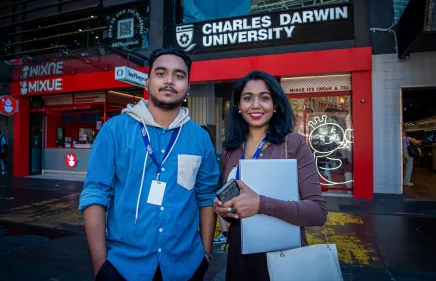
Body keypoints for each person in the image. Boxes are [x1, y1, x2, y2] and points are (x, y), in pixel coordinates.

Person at [79, 47, 220, 281]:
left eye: (179, 75)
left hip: (186, 266)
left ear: (188, 87)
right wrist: (100, 266)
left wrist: (205, 254)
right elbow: (95, 194)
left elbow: (205, 196)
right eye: (161, 73)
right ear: (147, 81)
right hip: (122, 267)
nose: (169, 81)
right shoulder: (115, 130)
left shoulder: (200, 138)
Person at [213, 71, 327, 280]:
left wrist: (261, 204)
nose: (256, 104)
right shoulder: (230, 149)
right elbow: (232, 205)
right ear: (238, 106)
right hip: (240, 259)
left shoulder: (293, 144)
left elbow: (318, 213)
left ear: (275, 105)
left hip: (283, 256)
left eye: (264, 98)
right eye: (248, 98)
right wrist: (223, 209)